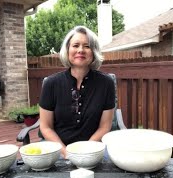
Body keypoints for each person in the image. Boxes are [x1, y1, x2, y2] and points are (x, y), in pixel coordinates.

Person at [39, 26, 116, 158]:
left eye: (87, 46)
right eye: (75, 45)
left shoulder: (106, 83)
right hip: (58, 148)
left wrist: (86, 150)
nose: (80, 50)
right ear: (68, 50)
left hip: (94, 148)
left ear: (94, 52)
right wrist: (66, 153)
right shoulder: (51, 84)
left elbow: (105, 126)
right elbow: (46, 127)